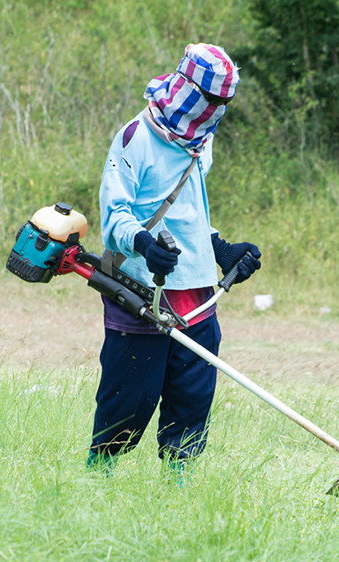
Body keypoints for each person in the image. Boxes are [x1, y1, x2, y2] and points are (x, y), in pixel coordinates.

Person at [86, 43, 261, 475]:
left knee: (192, 399)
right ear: (187, 89)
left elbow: (190, 211)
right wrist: (145, 245)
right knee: (127, 401)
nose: (215, 111)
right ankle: (96, 478)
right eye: (211, 101)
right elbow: (116, 216)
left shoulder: (202, 140)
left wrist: (221, 249)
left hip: (198, 297)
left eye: (224, 104)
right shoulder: (135, 137)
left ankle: (176, 491)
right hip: (141, 291)